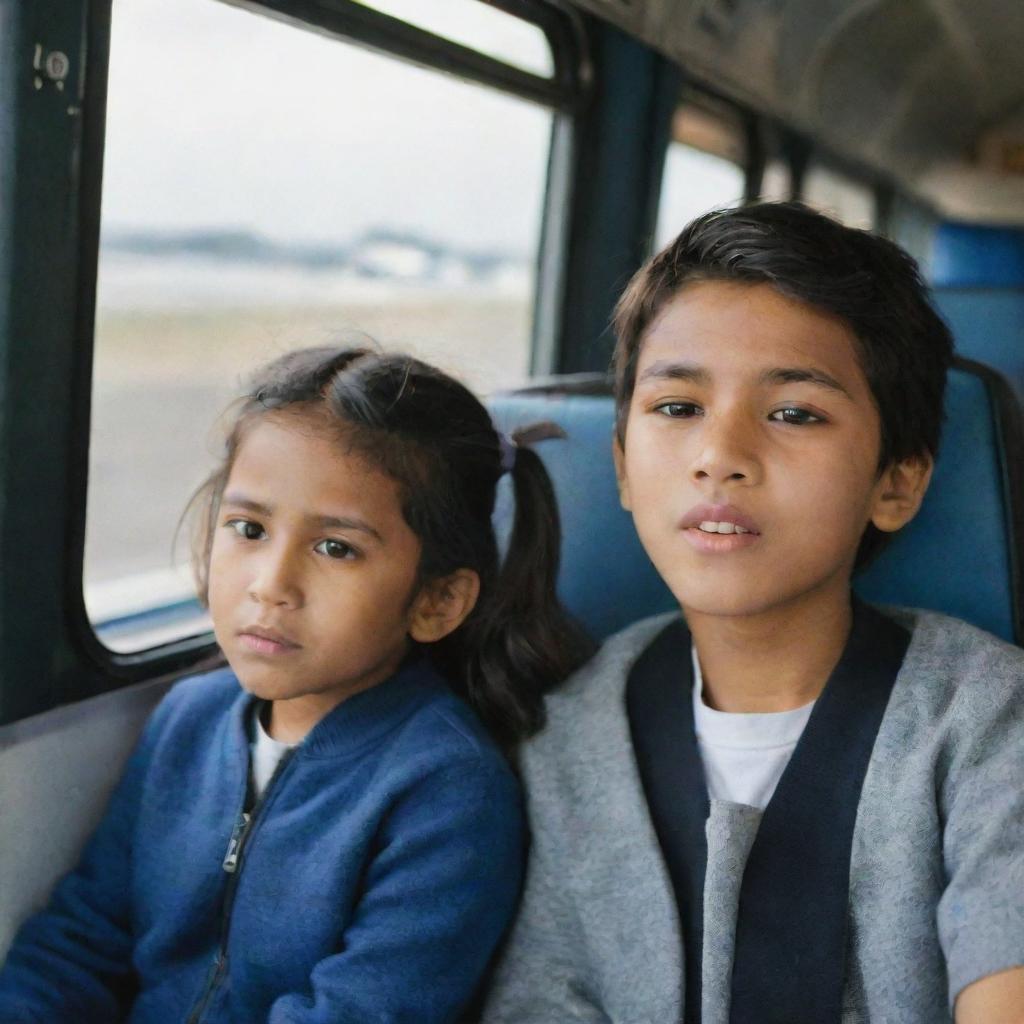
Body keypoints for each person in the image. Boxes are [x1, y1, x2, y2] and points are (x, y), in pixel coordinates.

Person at [483, 202, 1024, 1024]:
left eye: (795, 413)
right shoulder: (569, 733)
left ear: (897, 482)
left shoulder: (988, 720)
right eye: (676, 408)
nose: (720, 456)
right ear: (623, 465)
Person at [0, 346, 590, 1023]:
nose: (271, 584)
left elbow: (365, 1011)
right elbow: (83, 937)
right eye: (248, 529)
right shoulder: (187, 720)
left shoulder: (446, 788)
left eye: (335, 548)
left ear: (437, 601)